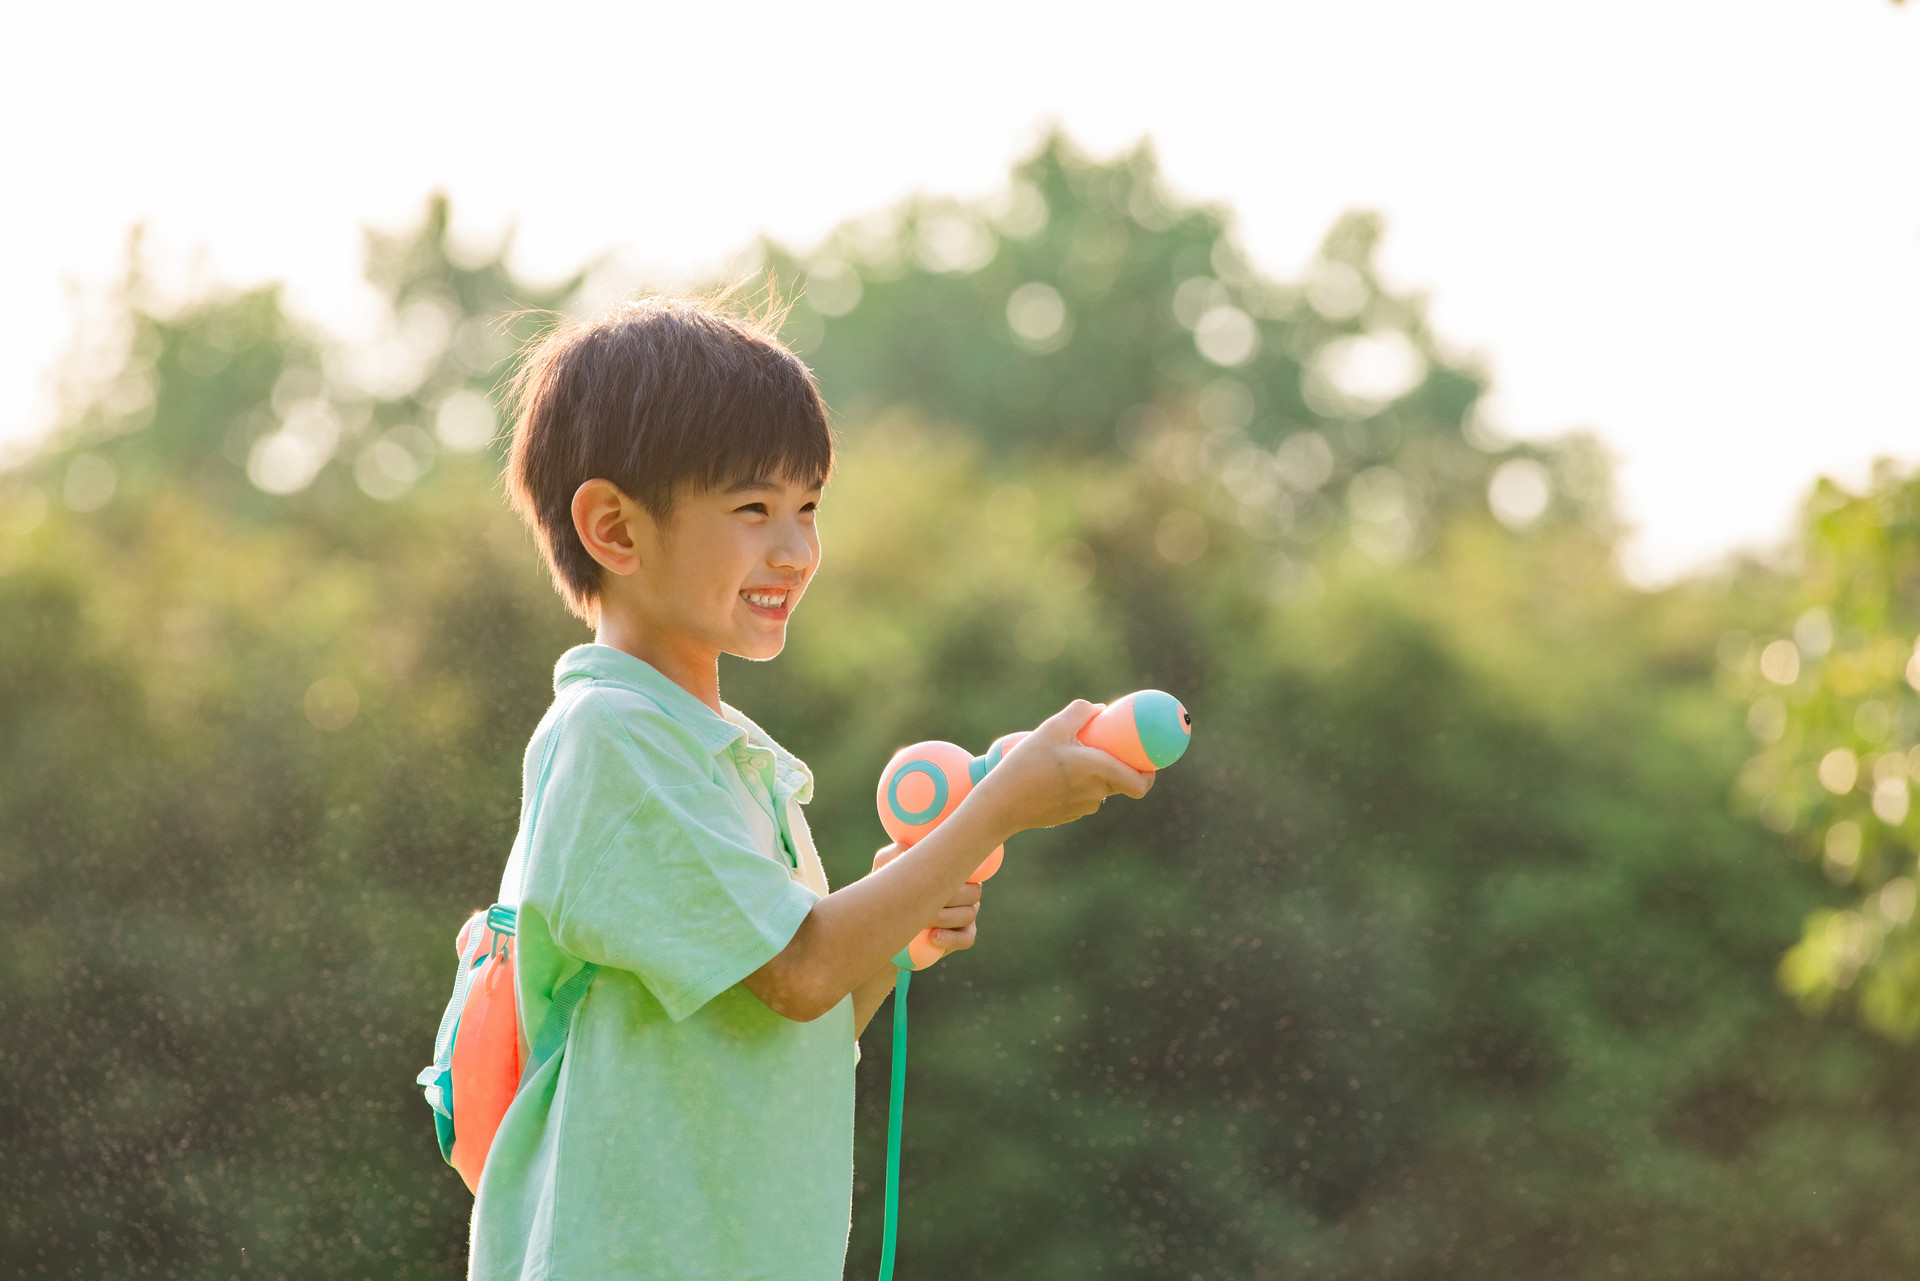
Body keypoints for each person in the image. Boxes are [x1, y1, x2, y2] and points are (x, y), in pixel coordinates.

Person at [468, 294, 1153, 1280]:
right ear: (614, 529)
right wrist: (996, 809)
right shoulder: (612, 737)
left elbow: (782, 1017)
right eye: (752, 510)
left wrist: (897, 934)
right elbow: (798, 972)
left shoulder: (725, 753)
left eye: (808, 507)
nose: (794, 550)